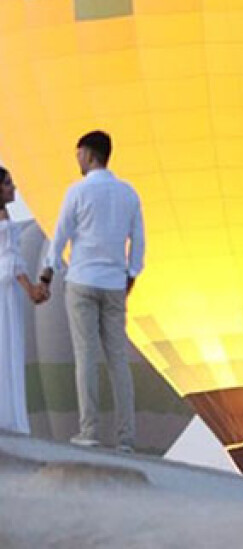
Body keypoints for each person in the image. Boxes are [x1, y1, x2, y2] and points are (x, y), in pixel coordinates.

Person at [39, 131, 145, 451]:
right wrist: (130, 276)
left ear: (87, 154)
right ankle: (126, 438)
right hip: (115, 284)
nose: (77, 160)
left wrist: (47, 273)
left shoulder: (77, 192)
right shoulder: (128, 193)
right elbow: (138, 242)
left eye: (78, 155)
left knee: (86, 357)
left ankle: (89, 431)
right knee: (118, 361)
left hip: (83, 281)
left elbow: (59, 236)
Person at [1, 167, 49, 435]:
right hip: (6, 287)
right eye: (8, 184)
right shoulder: (3, 218)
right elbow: (11, 260)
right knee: (7, 344)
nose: (14, 188)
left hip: (6, 285)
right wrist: (30, 288)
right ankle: (9, 415)